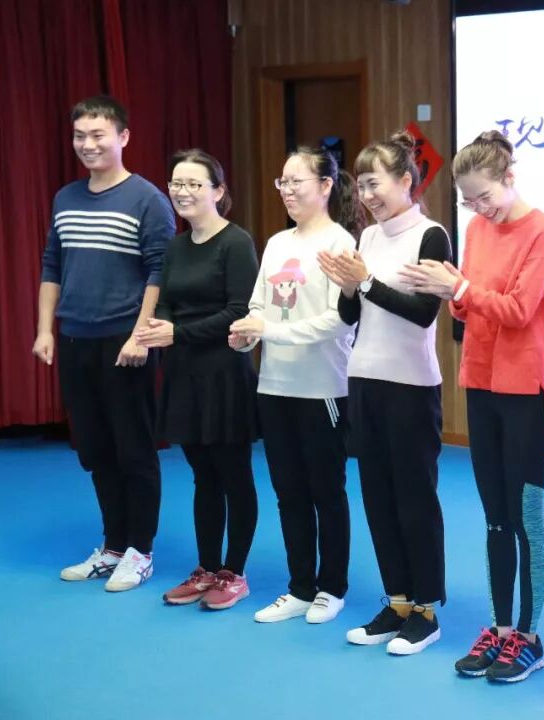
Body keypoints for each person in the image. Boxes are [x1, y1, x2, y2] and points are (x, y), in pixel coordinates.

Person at [399, 130, 544, 681]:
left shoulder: (541, 229)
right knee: (494, 516)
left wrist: (460, 291)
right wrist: (453, 291)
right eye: (468, 200)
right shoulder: (474, 228)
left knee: (525, 517)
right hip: (480, 380)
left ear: (509, 178)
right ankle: (500, 627)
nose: (478, 208)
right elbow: (467, 308)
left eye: (485, 196)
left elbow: (519, 309)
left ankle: (529, 637)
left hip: (524, 387)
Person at [318, 130, 451, 656]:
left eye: (375, 184)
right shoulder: (367, 238)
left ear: (405, 181)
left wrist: (366, 281)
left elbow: (422, 314)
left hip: (412, 386)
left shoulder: (431, 235)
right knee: (377, 496)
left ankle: (426, 610)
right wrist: (351, 286)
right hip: (365, 380)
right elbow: (350, 314)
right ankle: (397, 601)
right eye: (361, 185)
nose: (367, 195)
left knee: (415, 498)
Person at [35, 95, 174, 592]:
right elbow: (52, 264)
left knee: (134, 449)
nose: (88, 144)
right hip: (75, 340)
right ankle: (113, 546)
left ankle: (140, 551)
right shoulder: (66, 198)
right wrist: (44, 329)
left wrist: (140, 335)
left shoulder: (147, 199)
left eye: (98, 134)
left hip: (124, 342)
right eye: (80, 135)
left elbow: (160, 272)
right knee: (95, 449)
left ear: (123, 137)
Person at [228, 146, 364, 625]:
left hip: (322, 387)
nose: (286, 190)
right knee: (288, 492)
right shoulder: (277, 243)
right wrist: (249, 333)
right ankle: (301, 586)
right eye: (281, 182)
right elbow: (259, 304)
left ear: (326, 186)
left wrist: (270, 331)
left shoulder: (341, 243)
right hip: (274, 385)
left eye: (295, 181)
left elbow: (338, 321)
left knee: (327, 491)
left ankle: (332, 588)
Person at [135, 149, 260, 610]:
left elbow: (239, 311)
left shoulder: (237, 242)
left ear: (218, 191)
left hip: (224, 375)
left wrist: (178, 332)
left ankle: (234, 572)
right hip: (184, 375)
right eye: (176, 183)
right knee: (203, 478)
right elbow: (166, 301)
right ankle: (207, 568)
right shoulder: (176, 246)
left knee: (233, 476)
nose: (182, 192)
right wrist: (160, 325)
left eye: (193, 184)